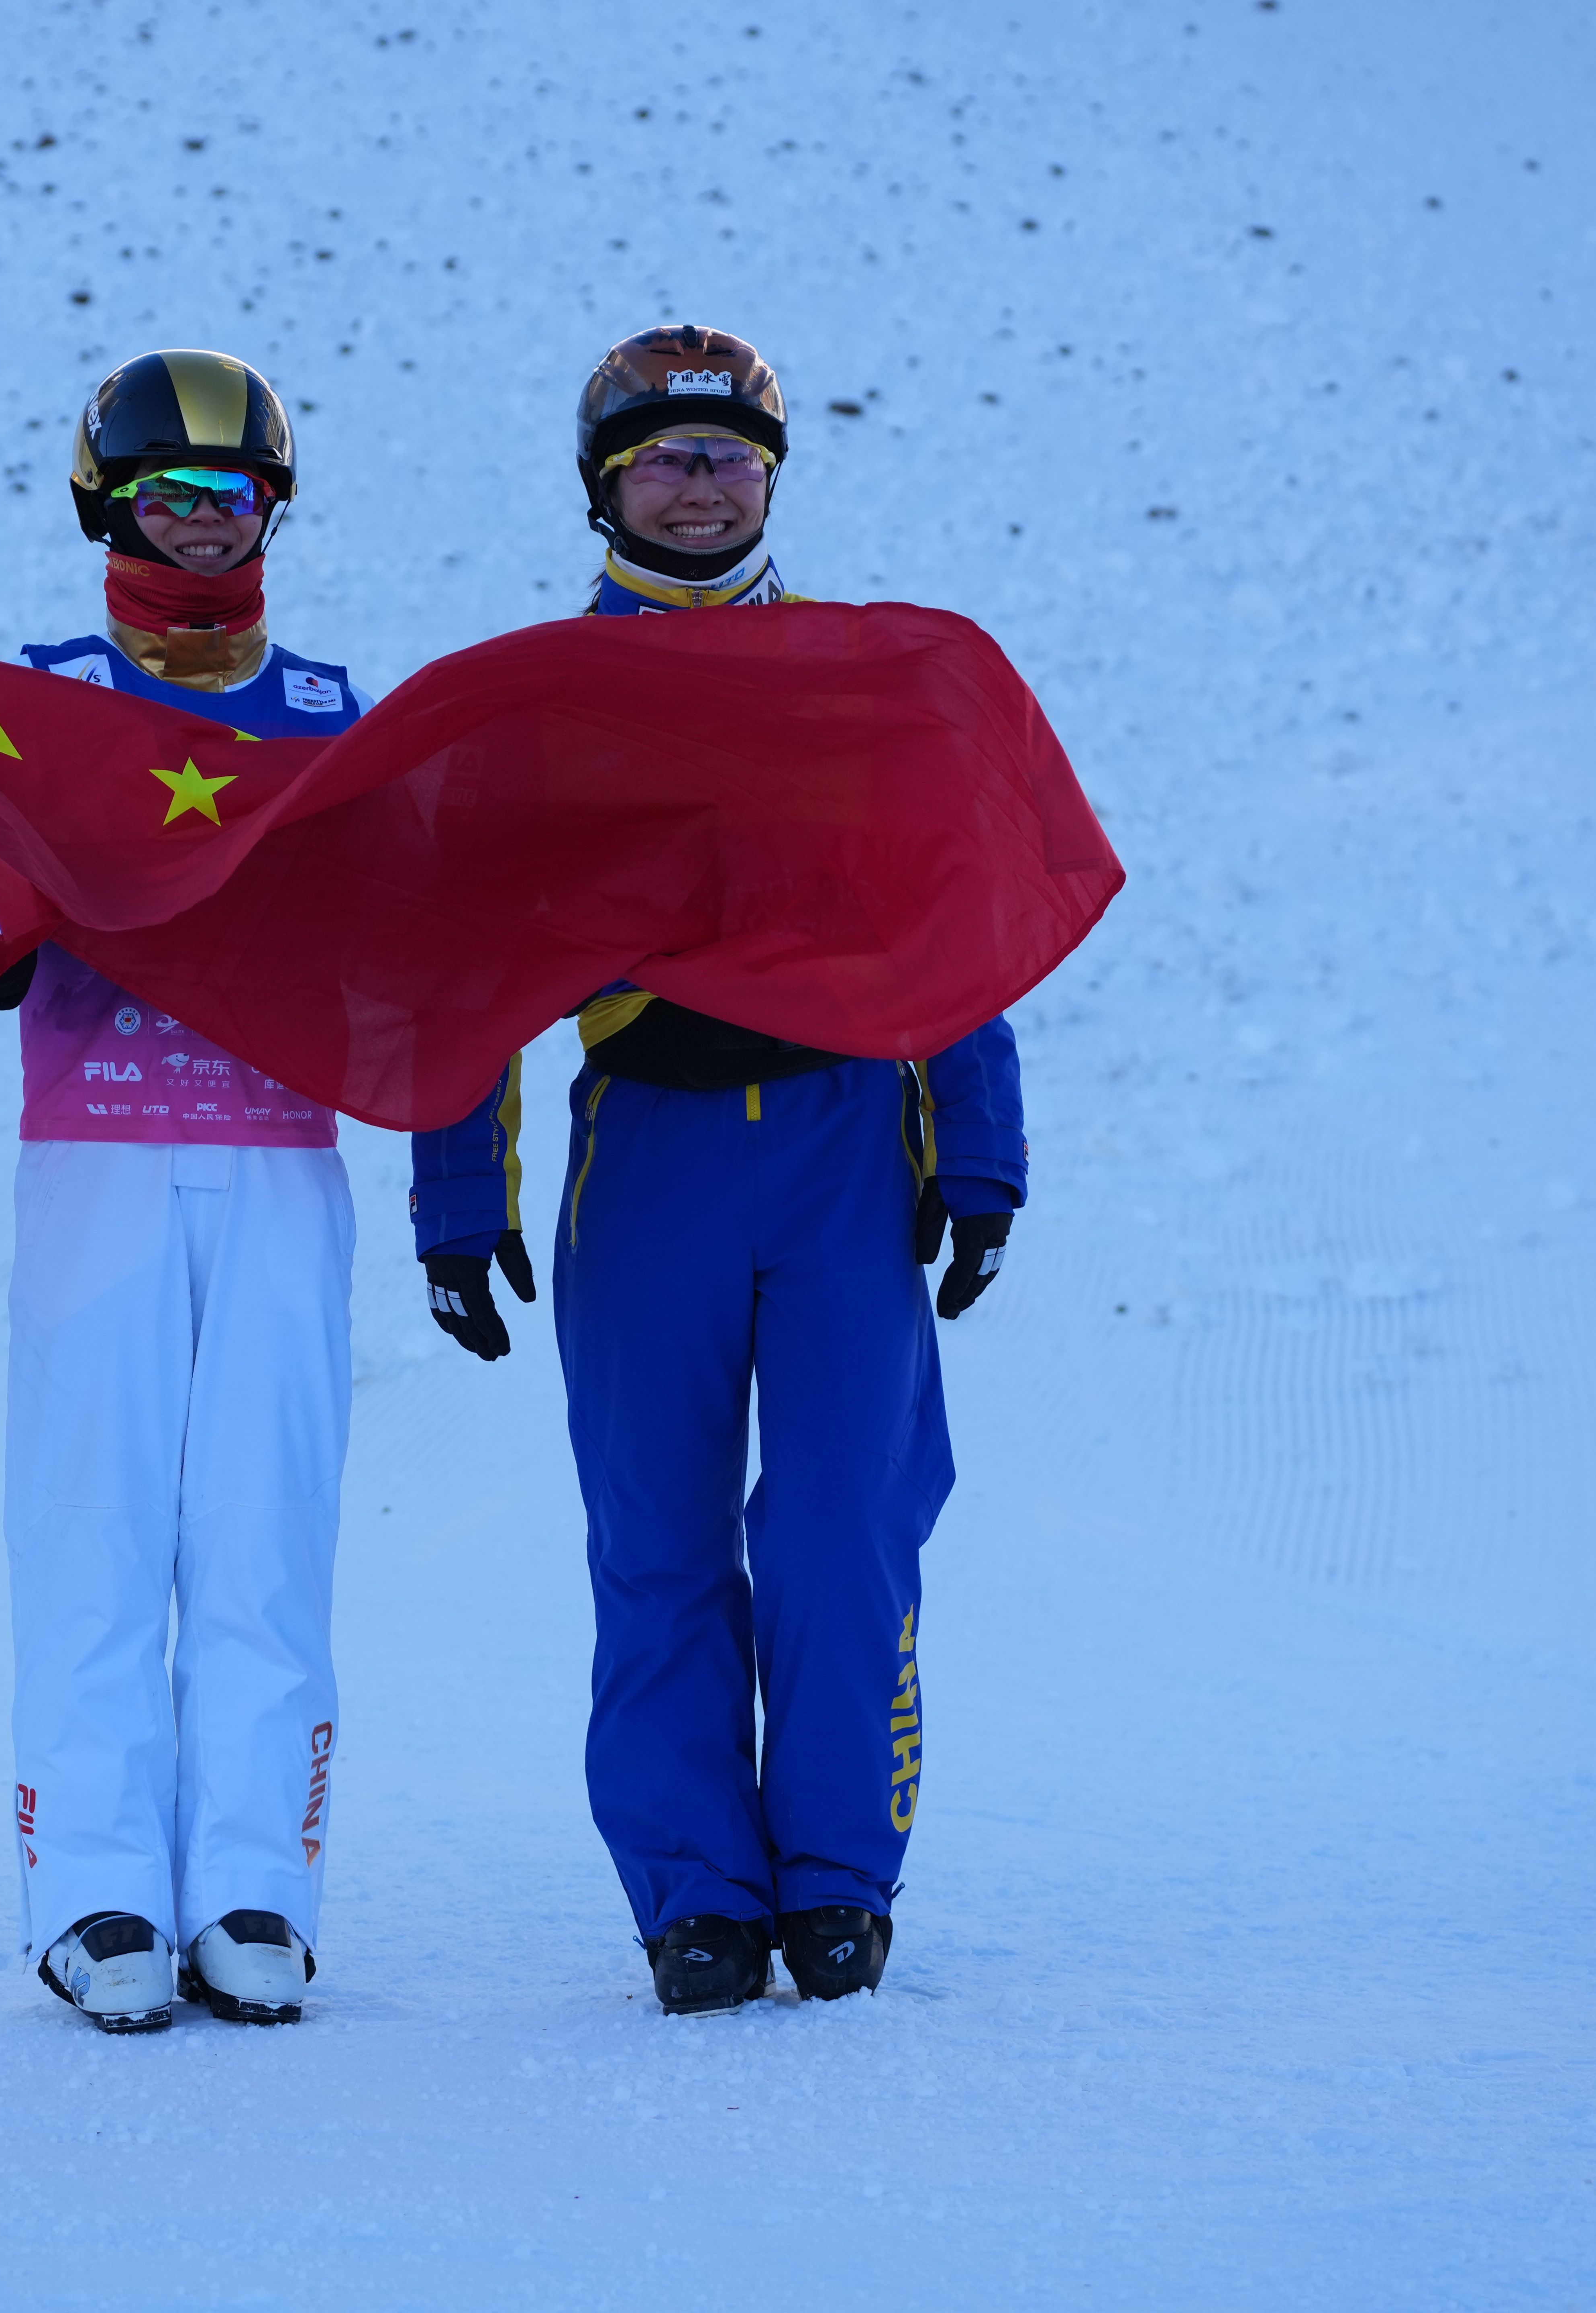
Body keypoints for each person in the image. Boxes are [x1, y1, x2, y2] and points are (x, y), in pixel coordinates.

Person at [407, 324, 1030, 2016]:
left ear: (773, 476)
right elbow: (464, 952)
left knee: (844, 1532)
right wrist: (459, 1196)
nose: (703, 485)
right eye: (670, 460)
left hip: (841, 1143)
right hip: (650, 1155)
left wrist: (978, 1150)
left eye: (733, 458)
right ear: (608, 482)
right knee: (658, 1542)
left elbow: (951, 907)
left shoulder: (855, 676)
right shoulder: (541, 694)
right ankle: (695, 1896)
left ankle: (837, 1879)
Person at [0, 349, 369, 2032]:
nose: (200, 528)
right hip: (99, 1164)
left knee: (266, 1534)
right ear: (101, 504)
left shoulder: (342, 716)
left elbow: (428, 930)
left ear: (273, 511)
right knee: (96, 1535)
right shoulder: (28, 696)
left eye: (231, 497)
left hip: (281, 1167)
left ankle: (260, 1878)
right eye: (165, 497)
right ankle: (98, 1884)